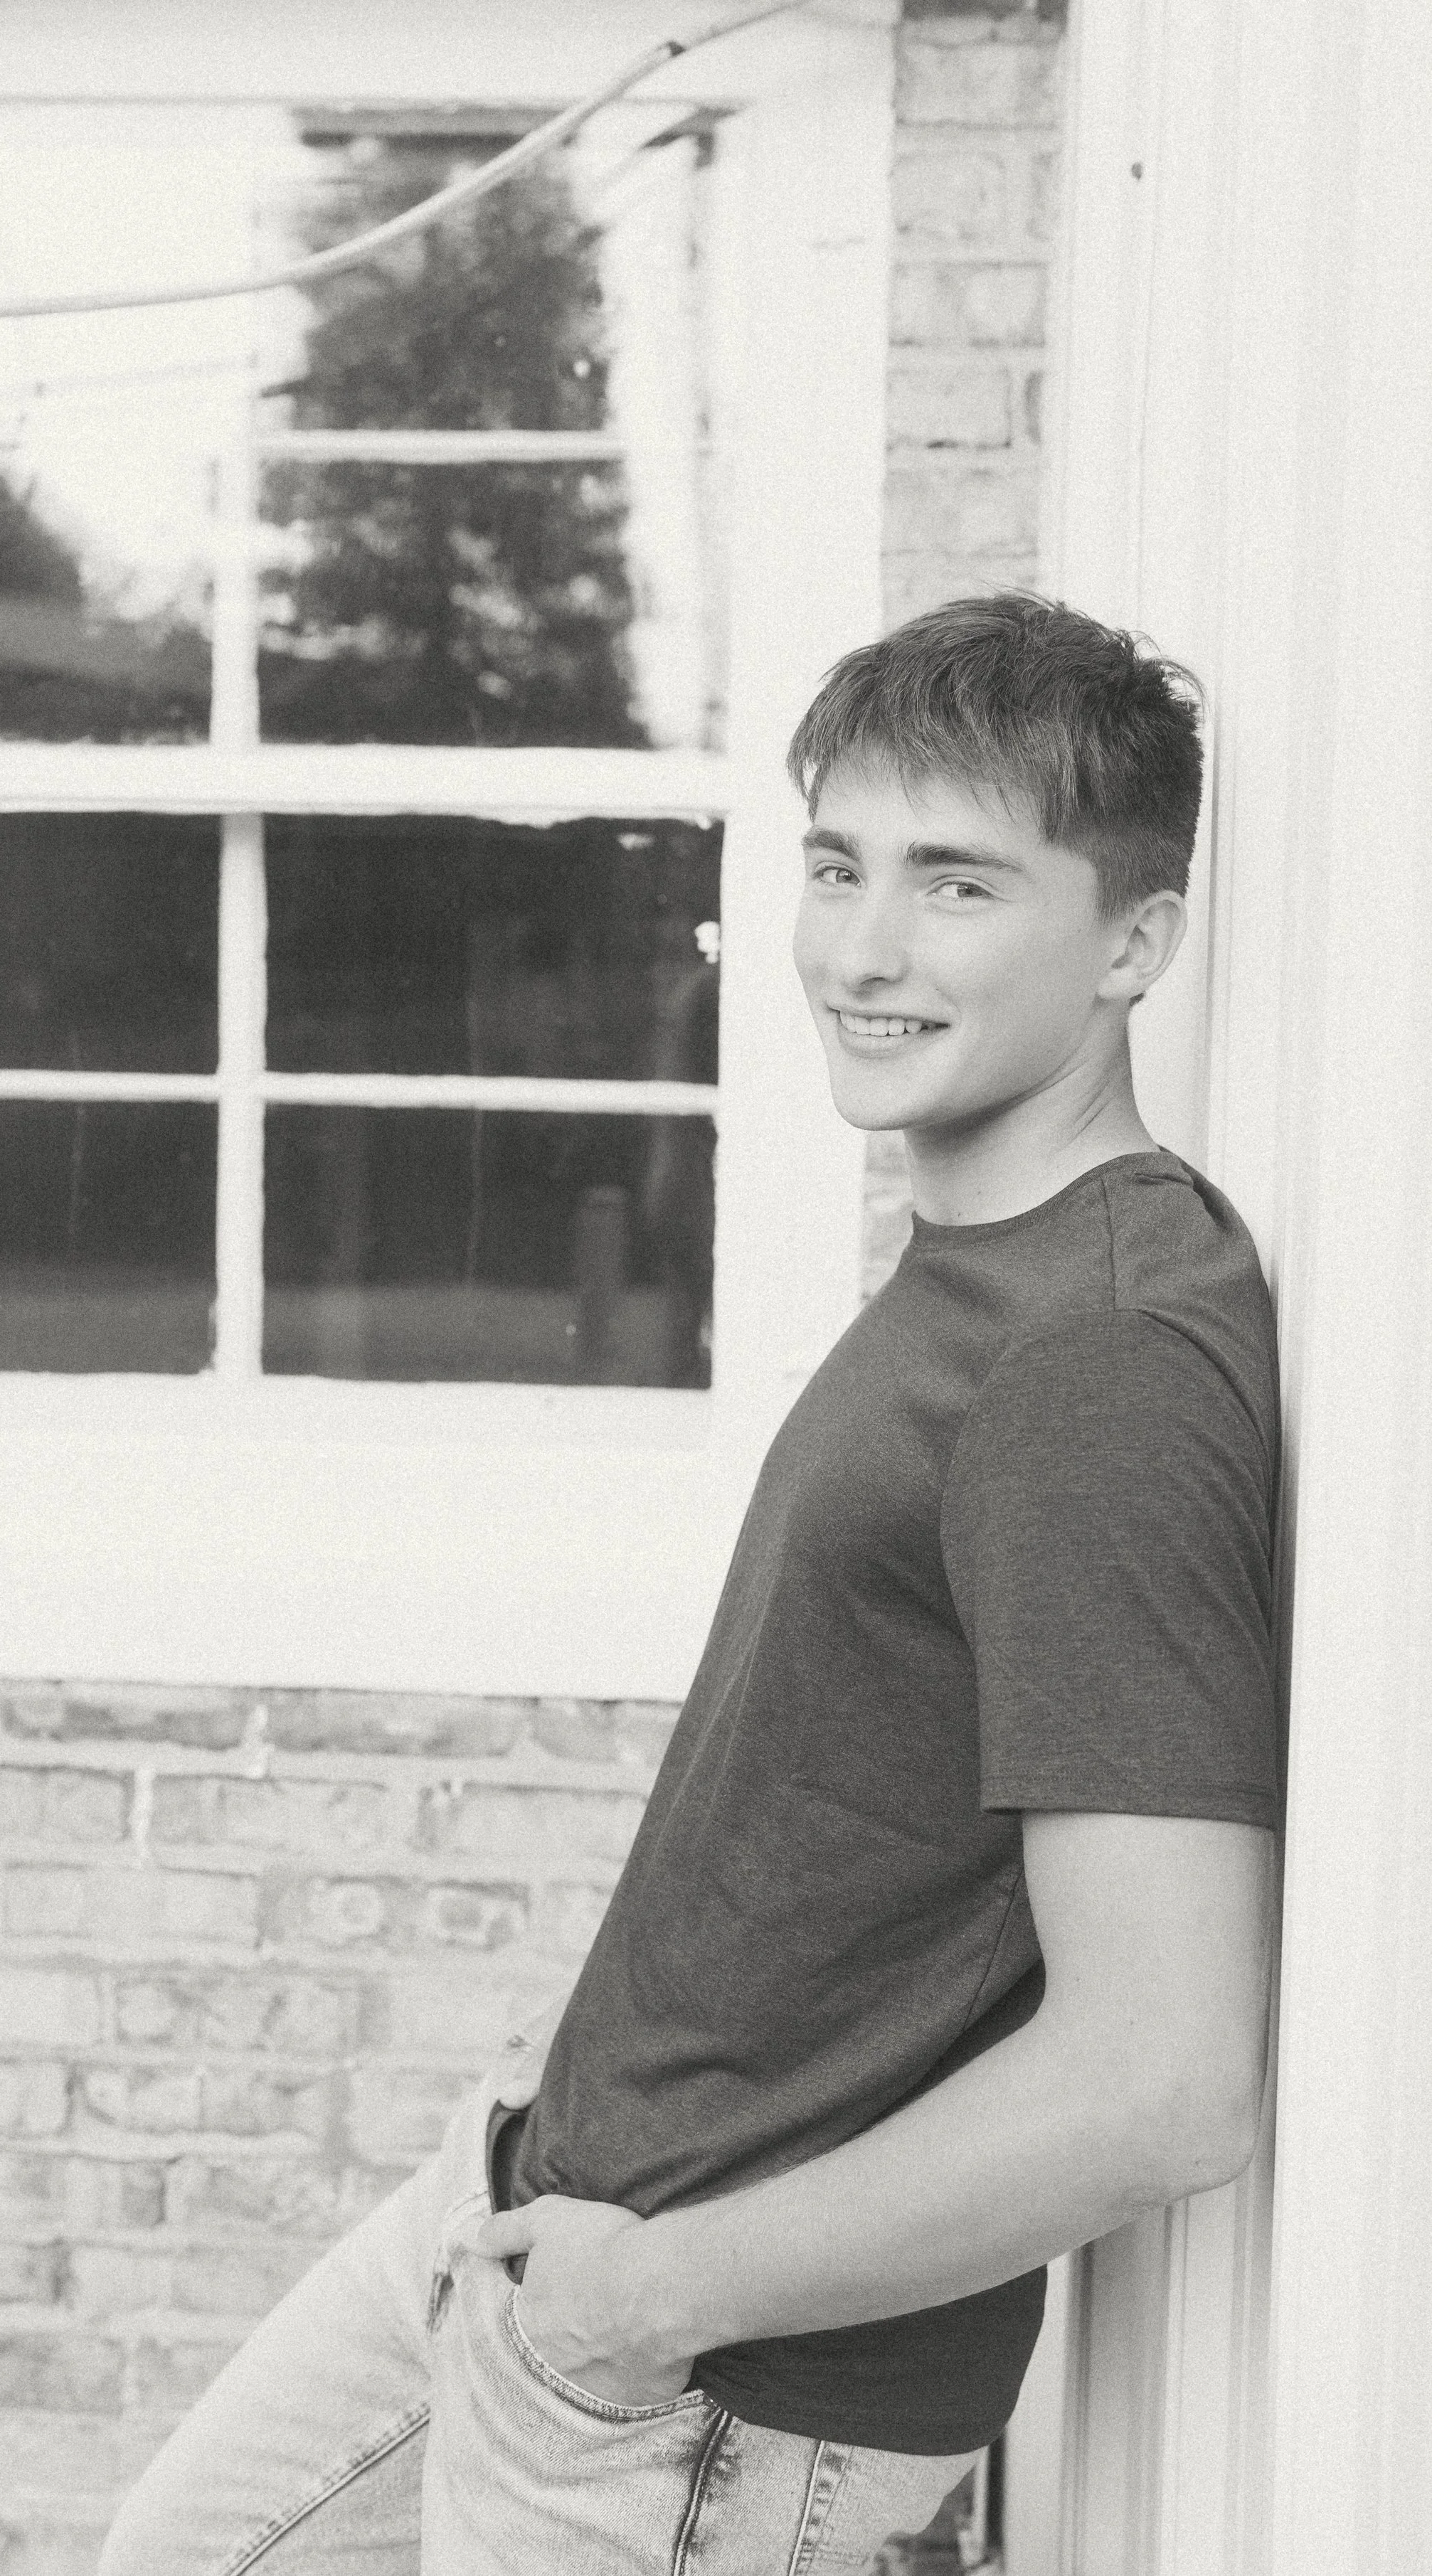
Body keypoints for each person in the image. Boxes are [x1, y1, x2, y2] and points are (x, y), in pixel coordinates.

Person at [99, 595, 1280, 2576]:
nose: (861, 948)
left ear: (1132, 944)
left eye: (959, 883)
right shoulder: (998, 1263)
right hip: (548, 2229)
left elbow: (1163, 2081)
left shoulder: (1097, 1360)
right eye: (838, 864)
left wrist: (652, 2293)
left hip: (698, 2391)